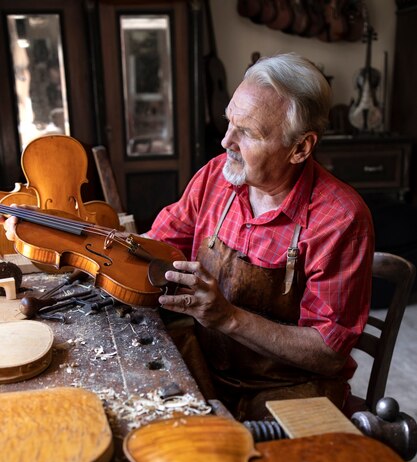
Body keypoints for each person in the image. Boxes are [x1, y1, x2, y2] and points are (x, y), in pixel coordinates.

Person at [2, 52, 375, 422]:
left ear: (300, 148)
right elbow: (153, 248)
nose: (227, 140)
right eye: (230, 122)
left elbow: (329, 351)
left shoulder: (340, 219)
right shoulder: (217, 177)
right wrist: (58, 243)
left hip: (292, 389)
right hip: (209, 367)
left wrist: (228, 318)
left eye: (247, 132)